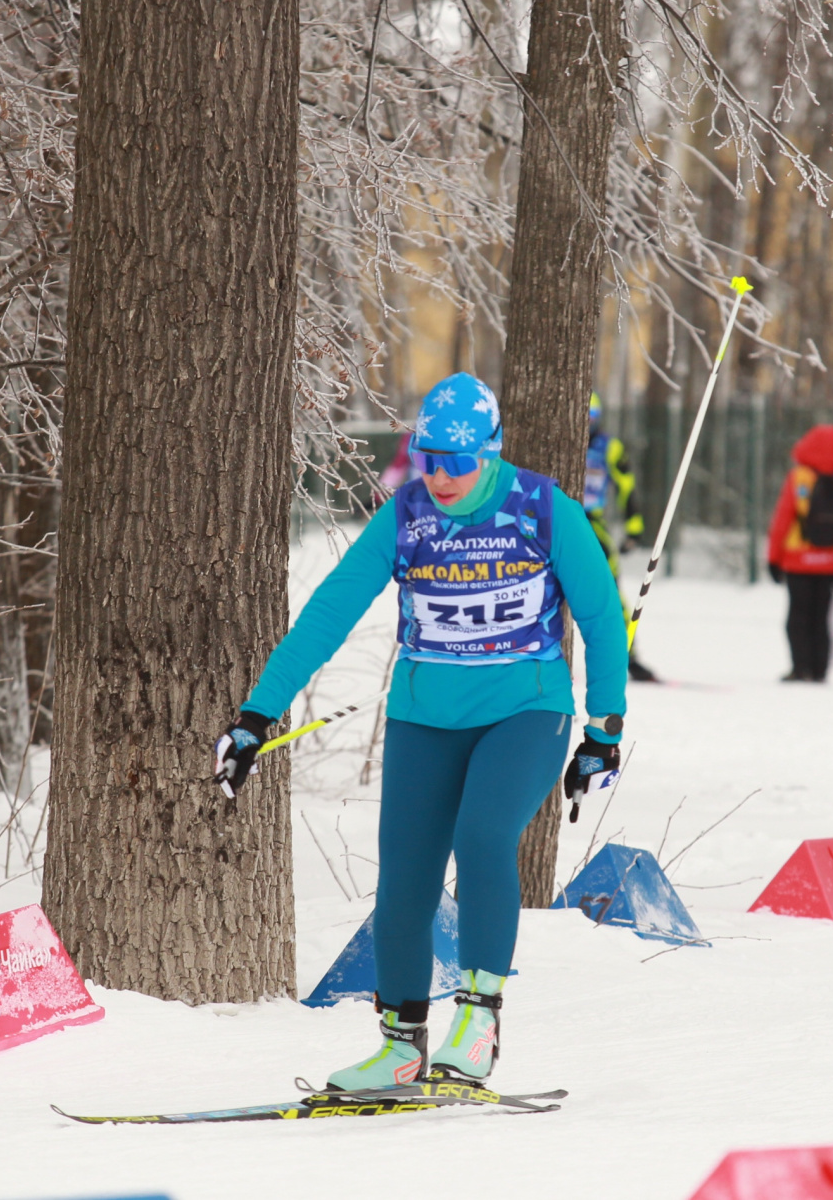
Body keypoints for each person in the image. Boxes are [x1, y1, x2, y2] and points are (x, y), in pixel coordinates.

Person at [213, 373, 628, 1091]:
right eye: (427, 456)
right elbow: (329, 611)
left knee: (484, 835)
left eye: (457, 462)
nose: (439, 475)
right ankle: (400, 1044)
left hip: (524, 710)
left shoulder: (542, 508)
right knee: (404, 877)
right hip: (422, 718)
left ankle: (479, 1020)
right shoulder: (405, 516)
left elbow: (599, 614)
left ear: (490, 455)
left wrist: (603, 728)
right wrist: (256, 715)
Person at [766, 424, 833, 682]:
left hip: (799, 561)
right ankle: (820, 670)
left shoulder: (799, 478)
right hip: (832, 563)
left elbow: (782, 521)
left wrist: (774, 558)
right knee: (822, 618)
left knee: (798, 617)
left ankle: (801, 668)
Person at [585, 393, 658, 682]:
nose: (587, 426)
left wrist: (634, 528)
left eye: (592, 419)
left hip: (593, 523)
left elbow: (626, 487)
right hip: (555, 521)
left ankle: (628, 654)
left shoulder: (608, 447)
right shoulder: (558, 438)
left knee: (612, 592)